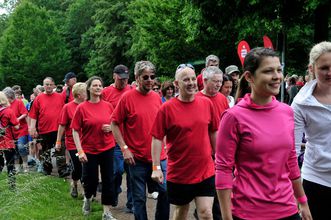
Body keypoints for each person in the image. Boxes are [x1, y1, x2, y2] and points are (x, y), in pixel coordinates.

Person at [215, 47, 312, 220]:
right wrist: (226, 217)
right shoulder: (233, 117)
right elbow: (223, 168)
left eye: (279, 70)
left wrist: (302, 200)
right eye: (268, 71)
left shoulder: (287, 112)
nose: (277, 76)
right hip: (248, 212)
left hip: (287, 209)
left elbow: (290, 160)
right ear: (249, 77)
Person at [151, 64, 218, 220]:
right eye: (186, 79)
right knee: (181, 212)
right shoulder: (166, 109)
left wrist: (219, 159)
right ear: (176, 84)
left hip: (205, 170)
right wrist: (156, 167)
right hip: (180, 173)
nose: (191, 83)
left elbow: (214, 131)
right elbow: (156, 138)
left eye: (193, 79)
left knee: (206, 213)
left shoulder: (207, 103)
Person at [111, 61, 169, 220]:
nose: (150, 80)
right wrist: (124, 148)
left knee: (166, 191)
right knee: (139, 199)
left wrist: (167, 145)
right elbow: (114, 124)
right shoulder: (127, 98)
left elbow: (161, 125)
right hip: (137, 159)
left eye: (152, 77)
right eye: (146, 77)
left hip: (159, 157)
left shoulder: (157, 97)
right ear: (137, 78)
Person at [291, 41, 331, 220]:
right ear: (312, 68)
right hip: (316, 179)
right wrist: (299, 197)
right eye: (324, 68)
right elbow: (292, 151)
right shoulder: (300, 103)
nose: (330, 73)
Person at [71, 76, 117, 220]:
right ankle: (87, 198)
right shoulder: (82, 108)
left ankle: (106, 212)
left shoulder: (108, 106)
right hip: (89, 149)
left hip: (107, 147)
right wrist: (80, 151)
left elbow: (115, 125)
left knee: (109, 179)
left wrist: (110, 128)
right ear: (89, 88)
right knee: (90, 179)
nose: (98, 87)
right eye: (95, 85)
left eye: (100, 85)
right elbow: (75, 130)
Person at [102, 64, 133, 213]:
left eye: (126, 79)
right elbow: (98, 110)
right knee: (117, 170)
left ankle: (131, 203)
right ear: (114, 76)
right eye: (121, 79)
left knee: (133, 172)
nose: (124, 82)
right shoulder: (106, 92)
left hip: (131, 138)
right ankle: (114, 191)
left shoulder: (132, 91)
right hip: (113, 138)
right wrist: (107, 124)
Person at [29, 77, 67, 176]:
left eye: (50, 84)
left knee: (61, 149)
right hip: (44, 129)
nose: (48, 86)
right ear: (43, 85)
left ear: (53, 85)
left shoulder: (60, 97)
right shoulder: (39, 98)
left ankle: (62, 169)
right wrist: (32, 128)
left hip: (58, 129)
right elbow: (33, 115)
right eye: (46, 84)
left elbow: (64, 111)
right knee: (45, 150)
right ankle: (47, 168)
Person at [56, 82, 87, 198]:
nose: (88, 94)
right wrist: (58, 141)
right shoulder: (67, 107)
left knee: (86, 167)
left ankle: (86, 191)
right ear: (79, 95)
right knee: (78, 167)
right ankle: (74, 183)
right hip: (72, 142)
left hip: (87, 142)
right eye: (85, 92)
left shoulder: (88, 105)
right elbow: (62, 125)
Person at [3, 87, 29, 173]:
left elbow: (25, 113)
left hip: (21, 129)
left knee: (21, 146)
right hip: (11, 131)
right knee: (14, 149)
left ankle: (25, 164)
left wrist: (17, 119)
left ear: (10, 96)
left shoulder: (18, 102)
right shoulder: (5, 106)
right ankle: (17, 166)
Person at [0, 91, 19, 189]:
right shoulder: (8, 111)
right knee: (10, 164)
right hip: (7, 141)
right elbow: (16, 126)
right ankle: (12, 186)